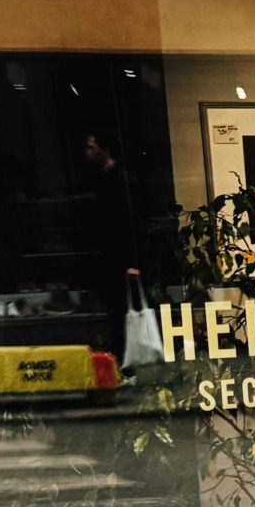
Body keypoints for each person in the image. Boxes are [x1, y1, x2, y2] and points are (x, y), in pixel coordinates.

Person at [81, 133, 141, 357]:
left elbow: (132, 223)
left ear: (105, 149)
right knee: (116, 311)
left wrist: (133, 262)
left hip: (119, 258)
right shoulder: (103, 178)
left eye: (92, 147)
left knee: (122, 312)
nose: (88, 152)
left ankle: (125, 357)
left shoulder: (120, 180)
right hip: (109, 258)